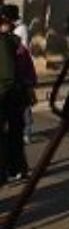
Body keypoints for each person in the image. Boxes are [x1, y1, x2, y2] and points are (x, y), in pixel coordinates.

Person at [0, 10, 31, 183]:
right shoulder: (13, 42)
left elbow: (8, 75)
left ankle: (11, 169)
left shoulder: (7, 42)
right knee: (14, 133)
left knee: (10, 134)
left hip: (8, 94)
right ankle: (16, 168)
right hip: (14, 93)